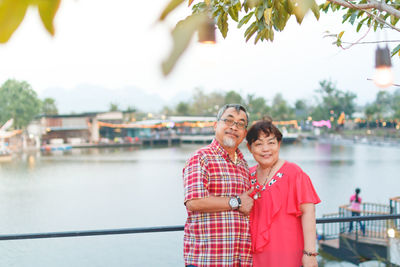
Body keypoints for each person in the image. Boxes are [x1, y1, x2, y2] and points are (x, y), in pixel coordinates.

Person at [182, 104, 254, 267]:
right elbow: (194, 202)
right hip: (208, 260)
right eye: (228, 121)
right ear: (216, 125)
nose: (234, 127)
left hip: (240, 260)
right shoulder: (201, 158)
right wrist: (237, 202)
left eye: (240, 124)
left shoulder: (243, 164)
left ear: (244, 133)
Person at [246, 119, 321, 267]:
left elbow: (309, 212)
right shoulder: (248, 175)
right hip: (254, 255)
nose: (265, 149)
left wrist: (310, 253)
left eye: (271, 143)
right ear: (250, 148)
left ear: (279, 144)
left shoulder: (294, 173)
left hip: (287, 252)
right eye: (259, 144)